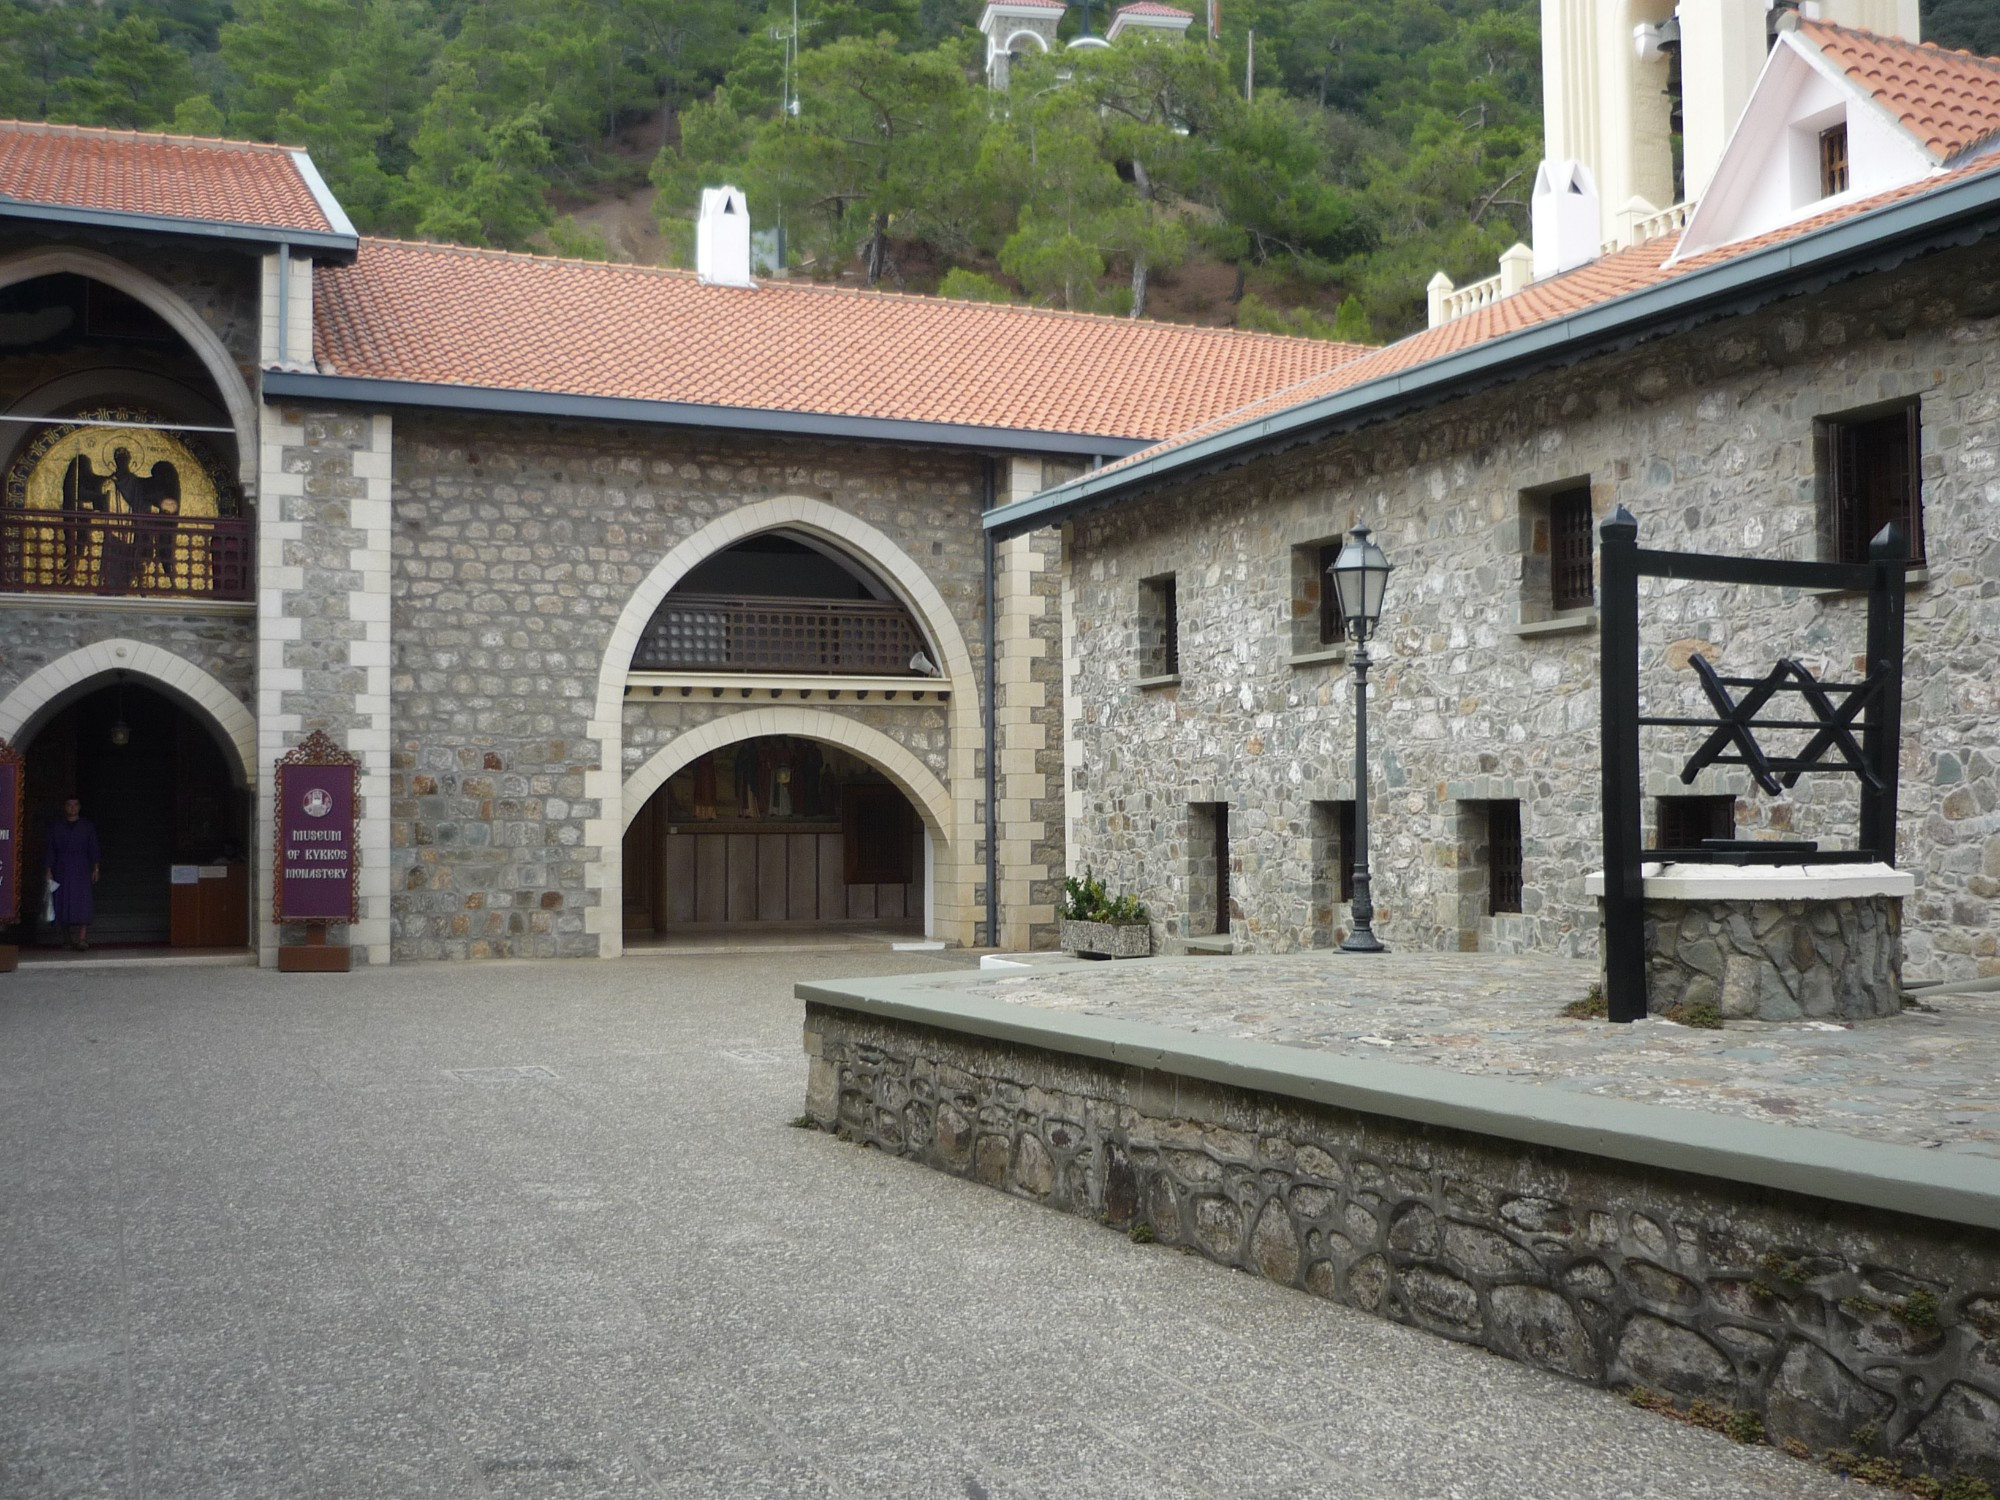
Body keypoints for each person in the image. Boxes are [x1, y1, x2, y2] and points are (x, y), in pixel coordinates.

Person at [45, 796, 100, 951]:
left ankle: (82, 939)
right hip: (61, 868)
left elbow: (93, 847)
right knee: (62, 901)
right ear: (65, 807)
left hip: (81, 867)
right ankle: (67, 938)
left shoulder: (87, 827)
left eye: (75, 805)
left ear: (79, 807)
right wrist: (48, 870)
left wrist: (96, 868)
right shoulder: (57, 827)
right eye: (69, 805)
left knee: (83, 901)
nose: (72, 808)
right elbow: (51, 850)